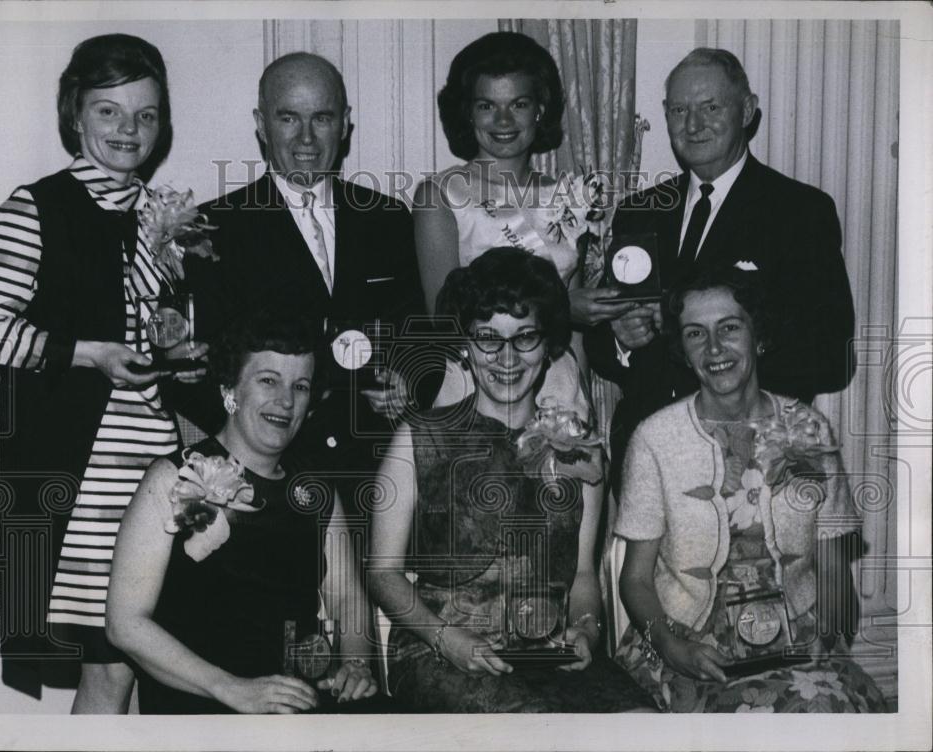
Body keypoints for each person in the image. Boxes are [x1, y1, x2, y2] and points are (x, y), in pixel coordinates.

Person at [0, 34, 206, 711]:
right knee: (110, 660)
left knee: (122, 663)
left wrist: (181, 353)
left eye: (146, 114)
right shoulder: (34, 208)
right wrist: (89, 353)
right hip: (81, 475)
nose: (130, 130)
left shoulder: (168, 217)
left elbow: (165, 337)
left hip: (155, 464)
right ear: (74, 114)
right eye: (108, 111)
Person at [368, 247, 655, 712]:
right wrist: (446, 638)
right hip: (441, 652)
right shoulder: (419, 437)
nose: (507, 357)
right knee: (531, 728)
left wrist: (586, 628)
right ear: (465, 344)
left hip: (550, 653)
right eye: (488, 338)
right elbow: (382, 573)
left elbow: (584, 576)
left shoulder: (580, 449)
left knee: (641, 724)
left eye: (525, 337)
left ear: (547, 346)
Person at [584, 47, 856, 494]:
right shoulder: (640, 211)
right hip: (646, 463)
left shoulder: (799, 212)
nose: (693, 125)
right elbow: (598, 342)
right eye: (679, 110)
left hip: (751, 466)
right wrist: (620, 338)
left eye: (710, 107)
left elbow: (831, 355)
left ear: (747, 111)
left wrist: (719, 341)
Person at [614, 266, 885, 712]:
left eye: (729, 328)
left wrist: (830, 635)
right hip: (687, 642)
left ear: (758, 335)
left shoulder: (808, 427)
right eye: (696, 334)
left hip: (800, 636)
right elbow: (636, 579)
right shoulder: (654, 439)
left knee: (833, 711)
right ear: (682, 350)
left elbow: (833, 565)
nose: (714, 348)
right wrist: (671, 646)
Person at [174, 51, 431, 513]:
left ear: (345, 123)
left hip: (379, 474)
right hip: (265, 481)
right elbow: (192, 373)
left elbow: (420, 334)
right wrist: (255, 438)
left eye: (322, 118)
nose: (307, 138)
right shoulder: (213, 228)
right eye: (288, 118)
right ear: (261, 124)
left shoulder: (388, 219)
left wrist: (409, 384)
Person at [106, 314, 386, 714]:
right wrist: (231, 689)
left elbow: (346, 597)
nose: (286, 401)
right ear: (229, 389)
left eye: (300, 386)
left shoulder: (318, 489)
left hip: (297, 700)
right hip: (203, 706)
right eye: (268, 380)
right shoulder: (171, 477)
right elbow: (125, 624)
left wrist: (356, 665)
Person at [413, 31, 628, 421]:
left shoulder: (568, 196)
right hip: (478, 386)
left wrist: (581, 403)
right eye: (486, 106)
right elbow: (444, 321)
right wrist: (562, 309)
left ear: (540, 110)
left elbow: (576, 333)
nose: (503, 121)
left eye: (519, 104)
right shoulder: (441, 194)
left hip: (558, 391)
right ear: (467, 113)